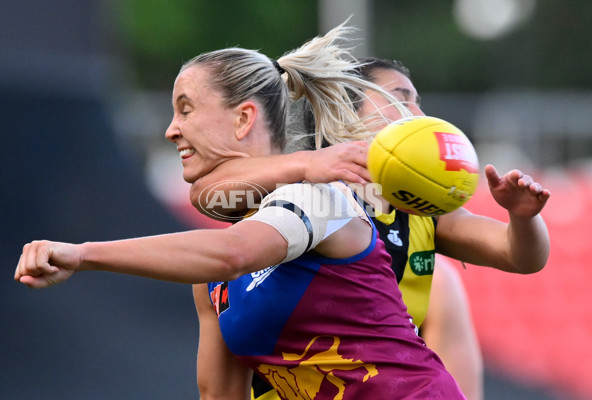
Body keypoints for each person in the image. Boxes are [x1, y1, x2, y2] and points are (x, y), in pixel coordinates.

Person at [14, 23, 468, 399]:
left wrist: (83, 254)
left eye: (186, 109)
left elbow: (234, 251)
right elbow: (218, 394)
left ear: (244, 118)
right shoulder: (212, 273)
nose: (171, 129)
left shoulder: (318, 197)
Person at [188, 58, 551, 400]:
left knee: (445, 284)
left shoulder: (423, 211)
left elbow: (518, 255)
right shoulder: (303, 199)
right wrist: (305, 163)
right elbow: (206, 192)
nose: (420, 115)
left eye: (419, 102)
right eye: (401, 99)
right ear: (344, 114)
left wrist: (522, 217)